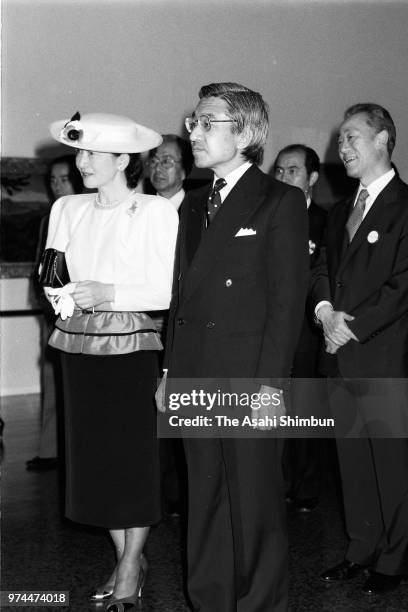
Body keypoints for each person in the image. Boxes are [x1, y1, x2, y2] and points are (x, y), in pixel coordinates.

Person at [157, 82, 309, 611]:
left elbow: (287, 305)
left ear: (243, 133)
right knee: (204, 498)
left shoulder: (280, 201)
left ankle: (261, 603)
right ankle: (210, 598)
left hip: (248, 376)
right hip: (196, 372)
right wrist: (169, 371)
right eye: (193, 121)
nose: (192, 132)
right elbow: (182, 297)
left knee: (254, 503)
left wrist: (271, 386)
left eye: (206, 122)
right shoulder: (194, 204)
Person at [43, 112, 178, 610]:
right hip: (76, 346)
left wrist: (109, 292)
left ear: (124, 160)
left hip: (131, 346)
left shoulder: (156, 211)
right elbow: (53, 272)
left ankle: (127, 567)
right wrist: (61, 296)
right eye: (79, 153)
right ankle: (129, 558)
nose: (82, 164)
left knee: (131, 459)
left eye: (93, 155)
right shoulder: (66, 207)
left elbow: (166, 290)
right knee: (96, 461)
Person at [312, 103, 408, 595]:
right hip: (339, 356)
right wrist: (326, 311)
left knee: (391, 465)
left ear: (383, 141)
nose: (341, 148)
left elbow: (403, 284)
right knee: (352, 463)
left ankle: (394, 557)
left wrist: (354, 327)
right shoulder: (339, 210)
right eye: (340, 139)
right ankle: (360, 547)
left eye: (351, 138)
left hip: (383, 357)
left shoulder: (405, 207)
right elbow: (323, 269)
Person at [273, 144, 327, 512]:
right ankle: (278, 484)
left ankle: (305, 489)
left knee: (305, 411)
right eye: (278, 171)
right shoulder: (268, 216)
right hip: (274, 328)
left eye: (292, 170)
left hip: (309, 330)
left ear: (311, 178)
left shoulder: (327, 221)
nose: (283, 177)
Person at [27, 155, 83, 471]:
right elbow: (46, 271)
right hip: (55, 315)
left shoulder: (88, 214)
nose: (57, 185)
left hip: (89, 316)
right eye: (53, 180)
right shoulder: (50, 220)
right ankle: (50, 452)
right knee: (52, 382)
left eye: (63, 179)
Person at [146, 134, 193, 210]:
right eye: (153, 161)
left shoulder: (198, 210)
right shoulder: (141, 209)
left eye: (166, 161)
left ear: (183, 171)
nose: (157, 168)